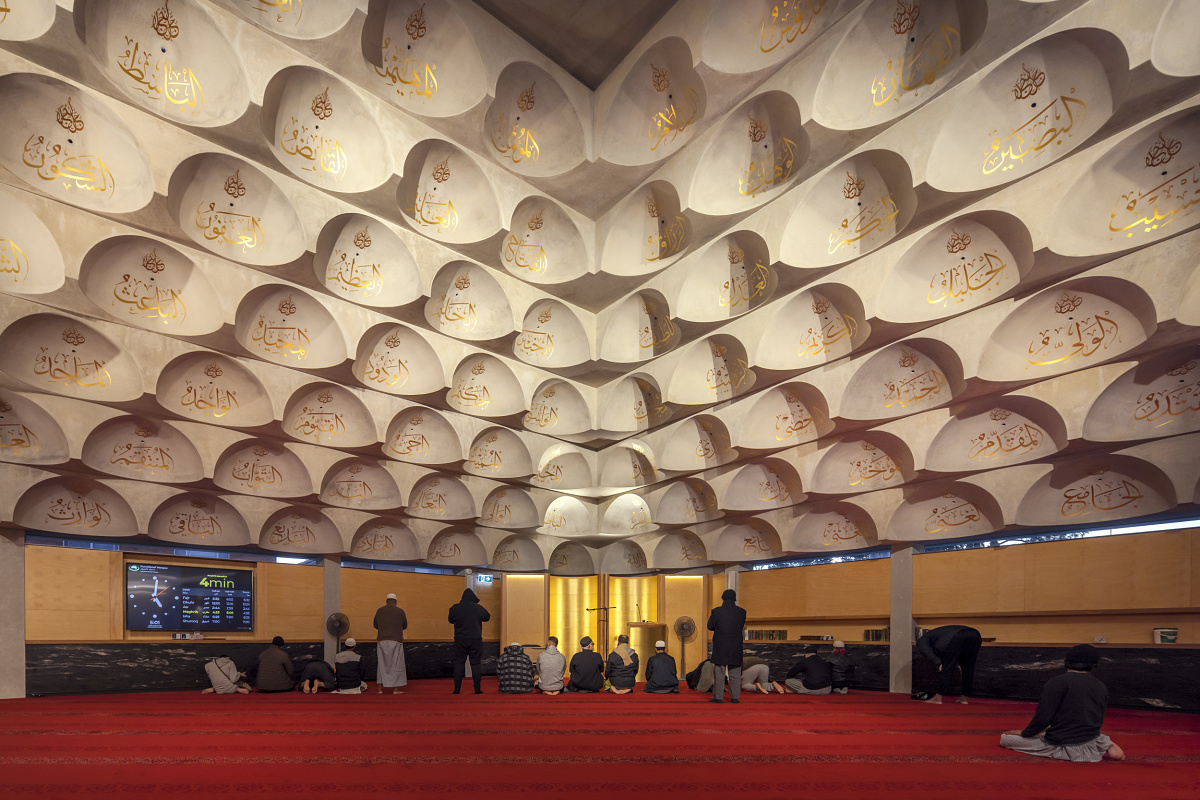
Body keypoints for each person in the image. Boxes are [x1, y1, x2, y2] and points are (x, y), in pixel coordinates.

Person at [1000, 644, 1125, 762]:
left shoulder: (1056, 682)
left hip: (1061, 744)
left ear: (1066, 662)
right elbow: (1098, 718)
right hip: (1089, 741)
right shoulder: (1101, 686)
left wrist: (1025, 733)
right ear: (1094, 665)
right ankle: (1107, 744)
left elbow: (1043, 717)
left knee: (1005, 739)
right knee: (1095, 735)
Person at [917, 625, 984, 704]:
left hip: (958, 636)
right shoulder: (939, 633)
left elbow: (926, 651)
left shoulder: (922, 639)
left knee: (947, 668)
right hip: (975, 635)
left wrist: (939, 663)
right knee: (968, 667)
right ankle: (964, 698)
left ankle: (938, 698)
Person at [707, 588, 747, 703]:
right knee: (735, 673)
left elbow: (710, 626)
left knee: (719, 673)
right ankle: (734, 697)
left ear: (723, 598)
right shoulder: (742, 612)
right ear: (734, 598)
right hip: (735, 646)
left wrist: (719, 628)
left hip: (721, 646)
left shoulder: (716, 611)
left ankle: (718, 697)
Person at [448, 588, 491, 694]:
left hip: (460, 640)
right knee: (475, 664)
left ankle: (457, 689)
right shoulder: (478, 608)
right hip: (475, 640)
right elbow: (487, 617)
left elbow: (450, 620)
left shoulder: (455, 608)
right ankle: (477, 689)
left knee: (458, 664)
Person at [373, 592, 408, 695]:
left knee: (381, 664)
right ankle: (395, 689)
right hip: (396, 641)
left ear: (386, 601)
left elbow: (375, 625)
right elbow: (404, 626)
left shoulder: (379, 610)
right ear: (395, 602)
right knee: (397, 665)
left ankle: (379, 689)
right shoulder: (400, 611)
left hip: (382, 641)